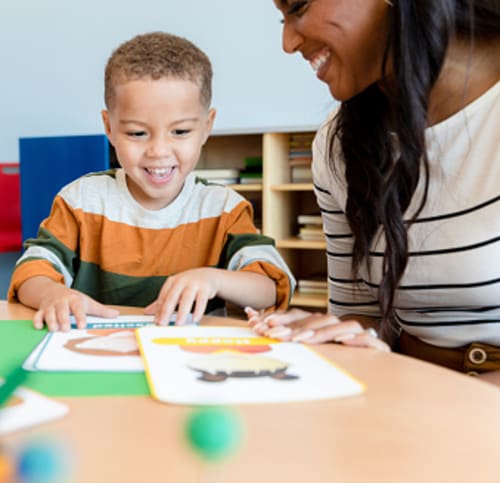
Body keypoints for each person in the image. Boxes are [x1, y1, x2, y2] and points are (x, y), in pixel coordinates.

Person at [247, 1, 500, 383]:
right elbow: (363, 313)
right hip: (416, 397)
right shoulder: (337, 145)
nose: (288, 41)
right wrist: (334, 334)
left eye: (298, 7)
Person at [8, 31, 295, 332]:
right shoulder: (81, 201)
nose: (158, 151)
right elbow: (30, 272)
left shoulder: (223, 209)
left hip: (187, 358)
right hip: (97, 352)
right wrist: (53, 294)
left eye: (180, 132)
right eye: (137, 133)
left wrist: (213, 279)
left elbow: (270, 287)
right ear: (109, 126)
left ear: (207, 126)